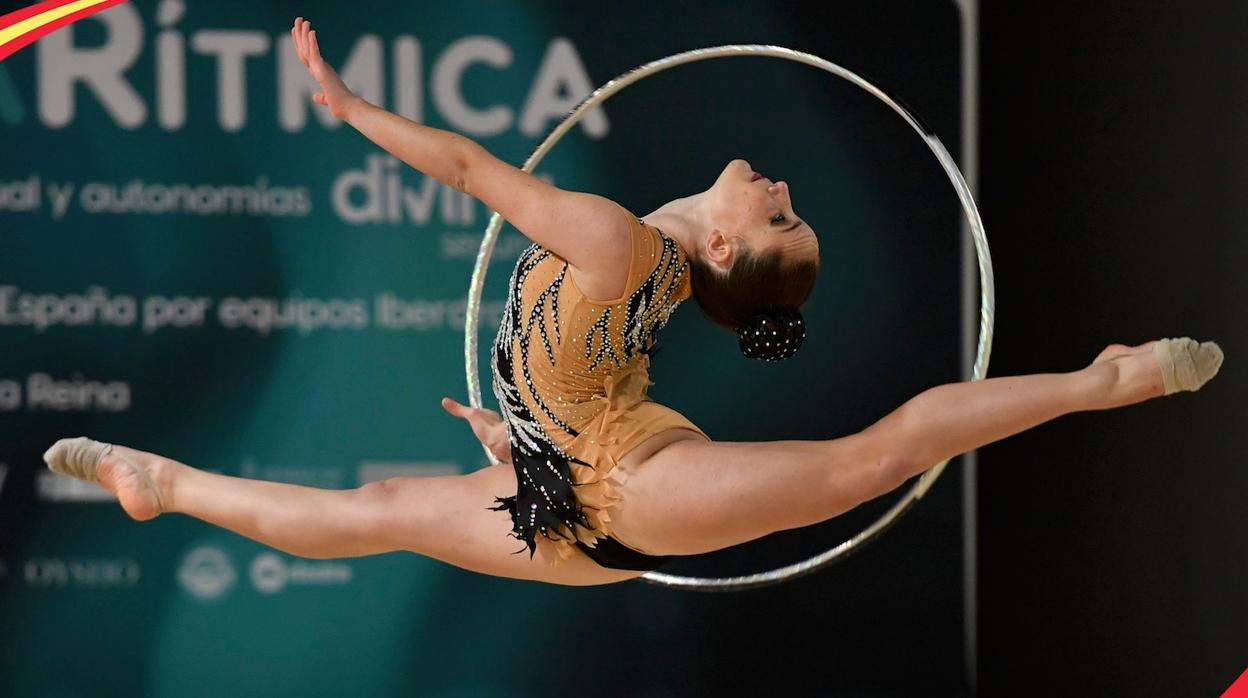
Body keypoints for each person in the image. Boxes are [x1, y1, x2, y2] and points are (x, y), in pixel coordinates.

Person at [42, 18, 1224, 587]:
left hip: (628, 486)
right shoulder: (654, 267)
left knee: (870, 460)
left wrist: (348, 110)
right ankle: (165, 483)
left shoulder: (613, 242)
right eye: (788, 206)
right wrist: (519, 431)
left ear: (719, 240)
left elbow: (466, 169)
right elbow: (565, 363)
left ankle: (1100, 379)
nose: (779, 187)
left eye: (777, 214)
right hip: (560, 488)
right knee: (381, 505)